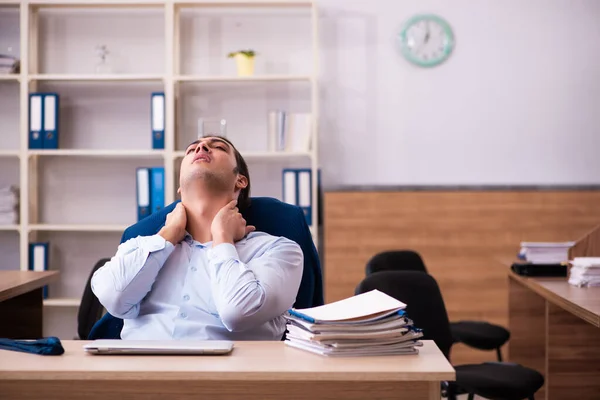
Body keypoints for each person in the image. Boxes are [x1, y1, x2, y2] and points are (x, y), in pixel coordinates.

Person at [91, 136, 303, 340]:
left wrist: (222, 238)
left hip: (230, 375)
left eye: (218, 147)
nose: (201, 148)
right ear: (180, 187)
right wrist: (167, 235)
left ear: (240, 180)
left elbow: (238, 313)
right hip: (139, 372)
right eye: (191, 150)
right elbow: (114, 298)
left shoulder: (279, 250)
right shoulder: (140, 244)